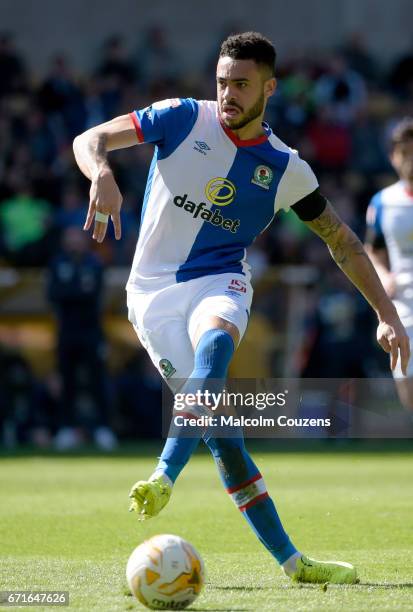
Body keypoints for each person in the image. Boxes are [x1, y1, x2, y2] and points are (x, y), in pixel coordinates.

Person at [73, 32, 409, 585]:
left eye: (242, 84)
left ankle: (163, 475)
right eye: (223, 81)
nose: (228, 93)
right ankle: (296, 564)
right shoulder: (181, 117)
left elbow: (343, 242)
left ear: (269, 88)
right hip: (150, 294)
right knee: (223, 433)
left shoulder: (285, 167)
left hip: (219, 278)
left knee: (215, 350)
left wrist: (387, 315)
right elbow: (92, 138)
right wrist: (103, 173)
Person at [365, 118, 413, 411]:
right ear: (393, 157)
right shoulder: (384, 201)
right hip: (403, 301)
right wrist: (383, 274)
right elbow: (373, 248)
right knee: (404, 371)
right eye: (404, 153)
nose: (410, 160)